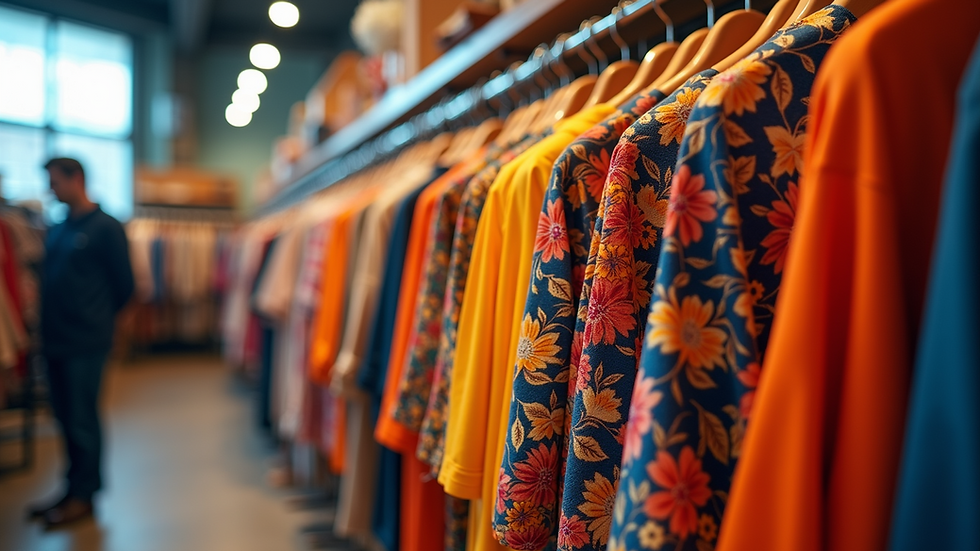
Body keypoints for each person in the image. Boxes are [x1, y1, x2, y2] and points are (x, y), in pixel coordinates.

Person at [27, 158, 134, 528]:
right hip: (54, 340)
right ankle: (70, 489)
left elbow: (126, 286)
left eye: (56, 182)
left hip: (87, 341)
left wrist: (97, 321)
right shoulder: (58, 228)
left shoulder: (107, 227)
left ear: (78, 179)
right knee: (64, 419)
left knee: (83, 419)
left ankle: (85, 497)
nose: (52, 190)